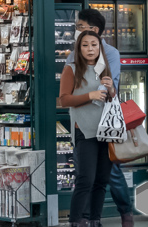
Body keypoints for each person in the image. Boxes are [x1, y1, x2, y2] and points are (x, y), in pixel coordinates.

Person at [66, 9, 135, 227]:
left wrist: (105, 85)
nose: (78, 32)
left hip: (107, 124)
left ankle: (115, 214)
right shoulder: (73, 58)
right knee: (85, 177)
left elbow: (109, 87)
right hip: (83, 125)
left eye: (80, 27)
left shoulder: (110, 54)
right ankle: (80, 220)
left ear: (94, 31)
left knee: (106, 176)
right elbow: (67, 95)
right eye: (77, 29)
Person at [59, 30, 116, 227]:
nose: (90, 49)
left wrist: (111, 91)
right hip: (84, 129)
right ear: (79, 48)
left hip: (106, 130)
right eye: (85, 45)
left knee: (101, 180)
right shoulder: (71, 69)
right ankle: (75, 221)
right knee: (86, 178)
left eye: (94, 44)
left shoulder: (104, 68)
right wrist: (89, 96)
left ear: (99, 46)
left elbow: (111, 100)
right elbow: (64, 100)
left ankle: (95, 220)